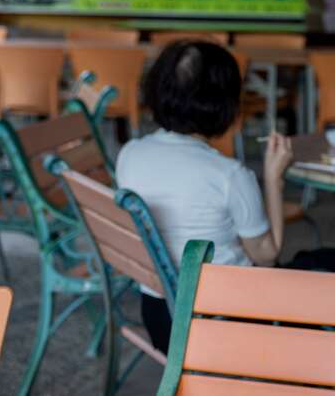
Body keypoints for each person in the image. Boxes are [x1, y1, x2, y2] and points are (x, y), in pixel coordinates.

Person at [116, 40, 293, 353]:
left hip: (160, 319)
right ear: (225, 104)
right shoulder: (229, 175)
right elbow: (267, 256)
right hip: (222, 325)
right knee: (330, 262)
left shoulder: (130, 154)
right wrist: (273, 179)